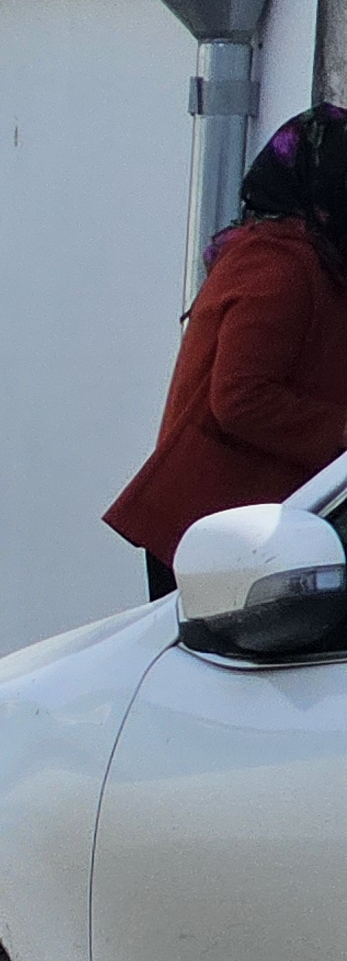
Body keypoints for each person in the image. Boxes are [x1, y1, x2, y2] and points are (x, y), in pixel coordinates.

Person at [108, 105, 347, 596]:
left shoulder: (320, 260)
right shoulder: (277, 264)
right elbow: (240, 398)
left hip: (257, 537)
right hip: (214, 534)